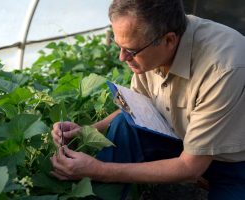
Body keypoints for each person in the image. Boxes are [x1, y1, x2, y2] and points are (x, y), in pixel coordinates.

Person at [50, 0, 245, 199]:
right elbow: (138, 106)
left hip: (232, 164)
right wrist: (86, 131)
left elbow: (190, 166)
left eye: (131, 51)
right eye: (119, 46)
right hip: (181, 140)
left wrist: (98, 169)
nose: (122, 57)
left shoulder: (222, 67)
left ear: (169, 40)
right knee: (123, 125)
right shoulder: (152, 42)